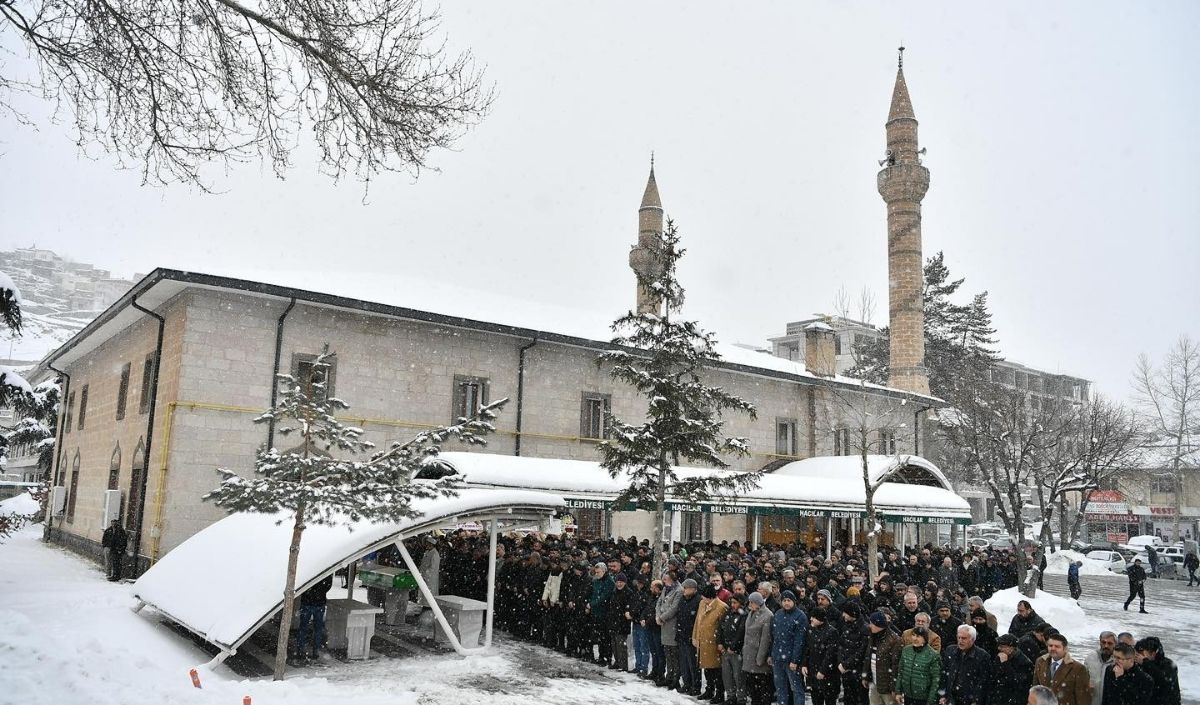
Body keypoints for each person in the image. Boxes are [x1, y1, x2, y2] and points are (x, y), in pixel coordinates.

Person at [770, 590, 808, 705]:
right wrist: (771, 654)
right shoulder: (778, 614)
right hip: (777, 658)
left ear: (794, 601)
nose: (786, 603)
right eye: (784, 600)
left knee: (796, 688)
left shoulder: (800, 616)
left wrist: (795, 660)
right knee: (780, 688)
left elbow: (799, 641)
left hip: (791, 659)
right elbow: (773, 636)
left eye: (789, 600)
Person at [939, 624, 991, 705]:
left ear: (972, 639)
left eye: (964, 638)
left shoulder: (983, 656)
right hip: (950, 699)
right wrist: (942, 695)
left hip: (968, 700)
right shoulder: (950, 650)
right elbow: (944, 674)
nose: (960, 641)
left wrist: (976, 701)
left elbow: (983, 682)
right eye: (959, 637)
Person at [1033, 634, 1091, 705]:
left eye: (1057, 646)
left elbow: (1083, 698)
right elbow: (1035, 689)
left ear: (1065, 649)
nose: (1053, 648)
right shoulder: (1040, 662)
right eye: (1050, 646)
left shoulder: (1078, 668)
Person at [694, 583, 728, 702]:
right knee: (707, 669)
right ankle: (709, 690)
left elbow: (723, 628)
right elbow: (697, 621)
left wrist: (721, 643)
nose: (703, 600)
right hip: (703, 642)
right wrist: (695, 636)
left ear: (711, 597)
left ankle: (719, 693)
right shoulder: (702, 604)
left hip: (713, 644)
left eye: (705, 598)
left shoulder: (722, 607)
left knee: (716, 671)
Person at [862, 610, 902, 705]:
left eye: (871, 623)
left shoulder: (894, 640)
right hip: (874, 682)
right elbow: (868, 657)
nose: (869, 625)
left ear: (878, 625)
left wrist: (895, 689)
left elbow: (896, 666)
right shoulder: (872, 636)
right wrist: (865, 676)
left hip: (887, 686)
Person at [743, 592, 775, 705]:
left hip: (758, 658)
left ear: (757, 603)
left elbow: (765, 639)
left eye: (751, 602)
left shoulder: (767, 615)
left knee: (763, 689)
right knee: (753, 690)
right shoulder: (751, 613)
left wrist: (760, 658)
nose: (749, 604)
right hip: (749, 655)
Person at [294, 573, 333, 664]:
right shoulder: (325, 571)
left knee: (303, 627)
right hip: (319, 602)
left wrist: (309, 592)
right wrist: (320, 593)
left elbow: (301, 582)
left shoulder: (310, 571)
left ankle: (301, 650)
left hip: (307, 602)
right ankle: (315, 651)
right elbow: (328, 585)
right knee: (318, 628)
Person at [804, 607, 840, 705]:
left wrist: (823, 670)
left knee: (829, 700)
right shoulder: (811, 630)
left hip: (828, 675)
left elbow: (831, 654)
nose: (811, 619)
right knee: (816, 700)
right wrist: (804, 664)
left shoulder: (832, 632)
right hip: (813, 672)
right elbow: (807, 649)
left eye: (814, 617)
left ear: (820, 619)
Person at [897, 626, 940, 705]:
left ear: (925, 639)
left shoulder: (933, 655)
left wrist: (931, 700)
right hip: (908, 695)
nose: (915, 638)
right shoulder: (906, 650)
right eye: (913, 635)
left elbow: (935, 680)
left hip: (923, 698)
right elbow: (900, 672)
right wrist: (898, 691)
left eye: (918, 636)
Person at [718, 593, 748, 705]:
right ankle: (731, 697)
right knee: (727, 676)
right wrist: (720, 643)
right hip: (725, 650)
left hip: (736, 651)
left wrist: (733, 646)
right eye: (732, 603)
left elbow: (741, 632)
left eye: (735, 603)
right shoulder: (728, 613)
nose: (732, 605)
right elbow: (720, 628)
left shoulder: (744, 615)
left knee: (738, 676)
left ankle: (741, 698)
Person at [1133, 637, 1179, 705]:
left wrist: (1145, 662)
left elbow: (1164, 680)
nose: (1138, 656)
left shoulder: (1168, 664)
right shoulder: (1140, 664)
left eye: (1141, 653)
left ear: (1153, 654)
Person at [656, 572, 683, 690]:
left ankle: (675, 678)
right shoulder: (665, 589)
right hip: (664, 625)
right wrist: (658, 616)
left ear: (671, 579)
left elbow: (674, 608)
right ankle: (669, 676)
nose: (664, 581)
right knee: (668, 652)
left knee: (674, 654)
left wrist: (662, 617)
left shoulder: (679, 590)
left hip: (672, 624)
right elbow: (659, 603)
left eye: (665, 579)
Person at [839, 601, 868, 705]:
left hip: (857, 672)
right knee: (848, 698)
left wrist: (846, 664)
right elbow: (841, 646)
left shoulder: (864, 629)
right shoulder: (846, 626)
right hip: (846, 671)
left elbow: (861, 652)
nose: (843, 615)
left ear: (852, 614)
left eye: (845, 613)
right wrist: (841, 662)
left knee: (859, 699)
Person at [991, 633, 1034, 705]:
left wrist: (1005, 664)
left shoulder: (1024, 663)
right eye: (998, 646)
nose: (999, 648)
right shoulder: (1000, 657)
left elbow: (1017, 683)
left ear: (1011, 648)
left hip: (1014, 700)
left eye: (1002, 646)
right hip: (999, 698)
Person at [678, 578, 703, 696]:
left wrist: (694, 636)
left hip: (691, 637)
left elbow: (698, 621)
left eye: (685, 588)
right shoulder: (683, 599)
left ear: (693, 589)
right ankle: (686, 684)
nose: (683, 590)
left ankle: (695, 686)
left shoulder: (698, 601)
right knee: (684, 663)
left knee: (693, 664)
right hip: (682, 635)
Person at [588, 562, 616, 666]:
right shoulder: (596, 581)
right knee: (599, 636)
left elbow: (604, 597)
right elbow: (593, 594)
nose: (596, 574)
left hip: (605, 613)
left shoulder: (609, 582)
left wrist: (592, 604)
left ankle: (607, 657)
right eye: (596, 572)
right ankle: (601, 656)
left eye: (598, 572)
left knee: (605, 637)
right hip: (596, 612)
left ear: (604, 571)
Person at [1083, 632, 1116, 705]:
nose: (1106, 646)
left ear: (1115, 645)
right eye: (1103, 642)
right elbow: (1083, 678)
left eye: (1110, 643)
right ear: (1100, 642)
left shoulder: (1118, 660)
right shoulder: (1091, 657)